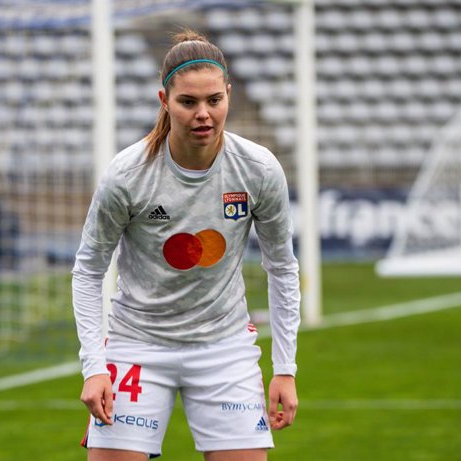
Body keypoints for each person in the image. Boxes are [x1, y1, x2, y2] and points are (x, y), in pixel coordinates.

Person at [73, 30, 300, 461]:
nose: (204, 115)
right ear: (164, 100)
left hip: (224, 347)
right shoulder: (127, 174)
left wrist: (285, 369)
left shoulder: (259, 170)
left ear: (229, 95)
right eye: (188, 102)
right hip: (136, 343)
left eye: (214, 100)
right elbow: (88, 270)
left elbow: (283, 268)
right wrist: (94, 367)